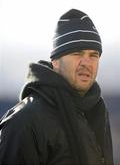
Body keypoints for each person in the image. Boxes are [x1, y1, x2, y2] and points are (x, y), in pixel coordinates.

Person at [0, 9, 113, 165]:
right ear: (55, 61)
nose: (86, 63)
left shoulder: (96, 110)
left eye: (93, 55)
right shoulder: (24, 121)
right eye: (77, 53)